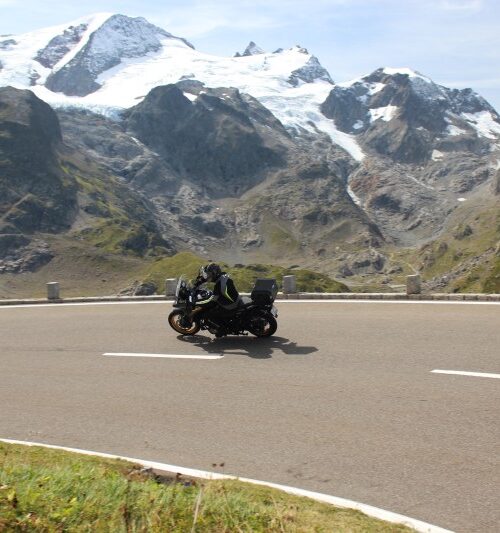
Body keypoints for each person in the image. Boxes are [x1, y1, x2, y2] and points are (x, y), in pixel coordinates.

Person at [184, 264, 240, 332]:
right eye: (207, 274)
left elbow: (211, 301)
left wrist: (197, 303)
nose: (207, 276)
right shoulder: (223, 276)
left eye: (208, 274)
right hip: (233, 298)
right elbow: (208, 278)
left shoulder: (218, 286)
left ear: (214, 274)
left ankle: (221, 329)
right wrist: (198, 282)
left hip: (230, 305)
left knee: (208, 314)